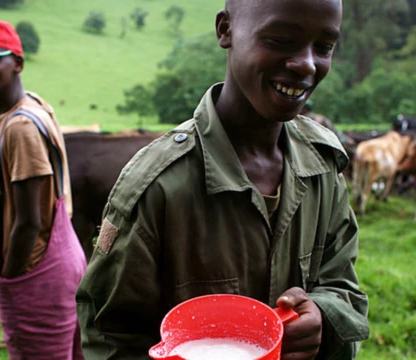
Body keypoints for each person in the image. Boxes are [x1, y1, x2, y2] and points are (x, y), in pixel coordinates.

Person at [76, 0, 369, 359]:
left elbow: (343, 286)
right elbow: (110, 337)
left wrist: (322, 315)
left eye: (323, 47)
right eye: (280, 39)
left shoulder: (323, 168)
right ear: (225, 30)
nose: (306, 63)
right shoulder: (158, 186)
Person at [0, 18, 86, 359]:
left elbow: (29, 221)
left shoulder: (20, 128)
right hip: (66, 251)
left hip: (39, 268)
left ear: (18, 64)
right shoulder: (34, 105)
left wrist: (12, 280)